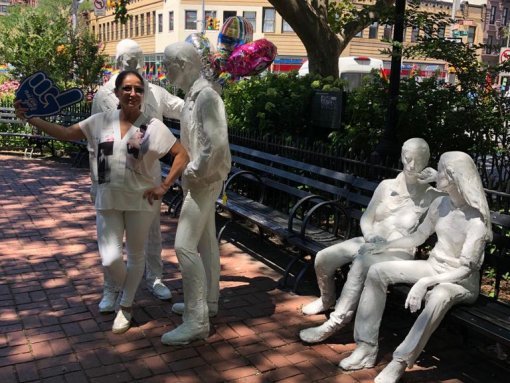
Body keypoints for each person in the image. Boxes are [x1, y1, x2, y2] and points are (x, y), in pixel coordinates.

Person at [14, 70, 189, 334]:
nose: (133, 94)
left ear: (143, 95)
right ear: (117, 93)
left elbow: (181, 154)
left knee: (137, 254)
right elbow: (64, 133)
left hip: (141, 200)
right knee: (110, 258)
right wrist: (31, 118)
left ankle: (126, 306)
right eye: (127, 89)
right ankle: (124, 289)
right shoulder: (100, 122)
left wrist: (165, 185)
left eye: (138, 90)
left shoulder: (152, 126)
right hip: (107, 198)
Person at [340, 151, 492, 383]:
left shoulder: (476, 221)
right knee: (377, 271)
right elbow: (418, 237)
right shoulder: (441, 204)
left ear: (453, 176)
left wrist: (425, 282)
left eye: (440, 169)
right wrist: (385, 247)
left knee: (439, 294)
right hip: (433, 267)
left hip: (460, 281)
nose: (435, 172)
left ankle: (399, 361)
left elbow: (466, 269)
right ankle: (366, 347)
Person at [299, 138, 443, 343]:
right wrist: (370, 235)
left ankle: (337, 321)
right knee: (324, 258)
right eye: (407, 158)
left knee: (361, 263)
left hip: (398, 252)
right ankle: (326, 298)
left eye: (418, 160)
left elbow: (463, 203)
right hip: (370, 241)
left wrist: (438, 179)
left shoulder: (432, 195)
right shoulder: (386, 186)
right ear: (401, 156)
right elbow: (367, 218)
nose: (411, 165)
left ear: (427, 160)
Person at [92, 39, 184, 312]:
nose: (130, 64)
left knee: (152, 233)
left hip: (147, 178)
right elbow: (97, 141)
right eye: (125, 59)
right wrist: (97, 182)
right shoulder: (103, 95)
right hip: (113, 179)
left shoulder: (154, 92)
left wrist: (205, 95)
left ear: (142, 61)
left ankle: (155, 278)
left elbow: (181, 107)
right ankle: (112, 288)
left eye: (135, 59)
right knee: (111, 240)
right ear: (116, 61)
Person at [159, 42, 231, 345]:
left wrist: (193, 171)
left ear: (183, 63)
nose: (165, 71)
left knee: (184, 246)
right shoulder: (192, 97)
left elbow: (217, 144)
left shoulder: (205, 97)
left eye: (168, 65)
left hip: (204, 181)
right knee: (205, 242)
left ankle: (196, 318)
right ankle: (208, 302)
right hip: (202, 180)